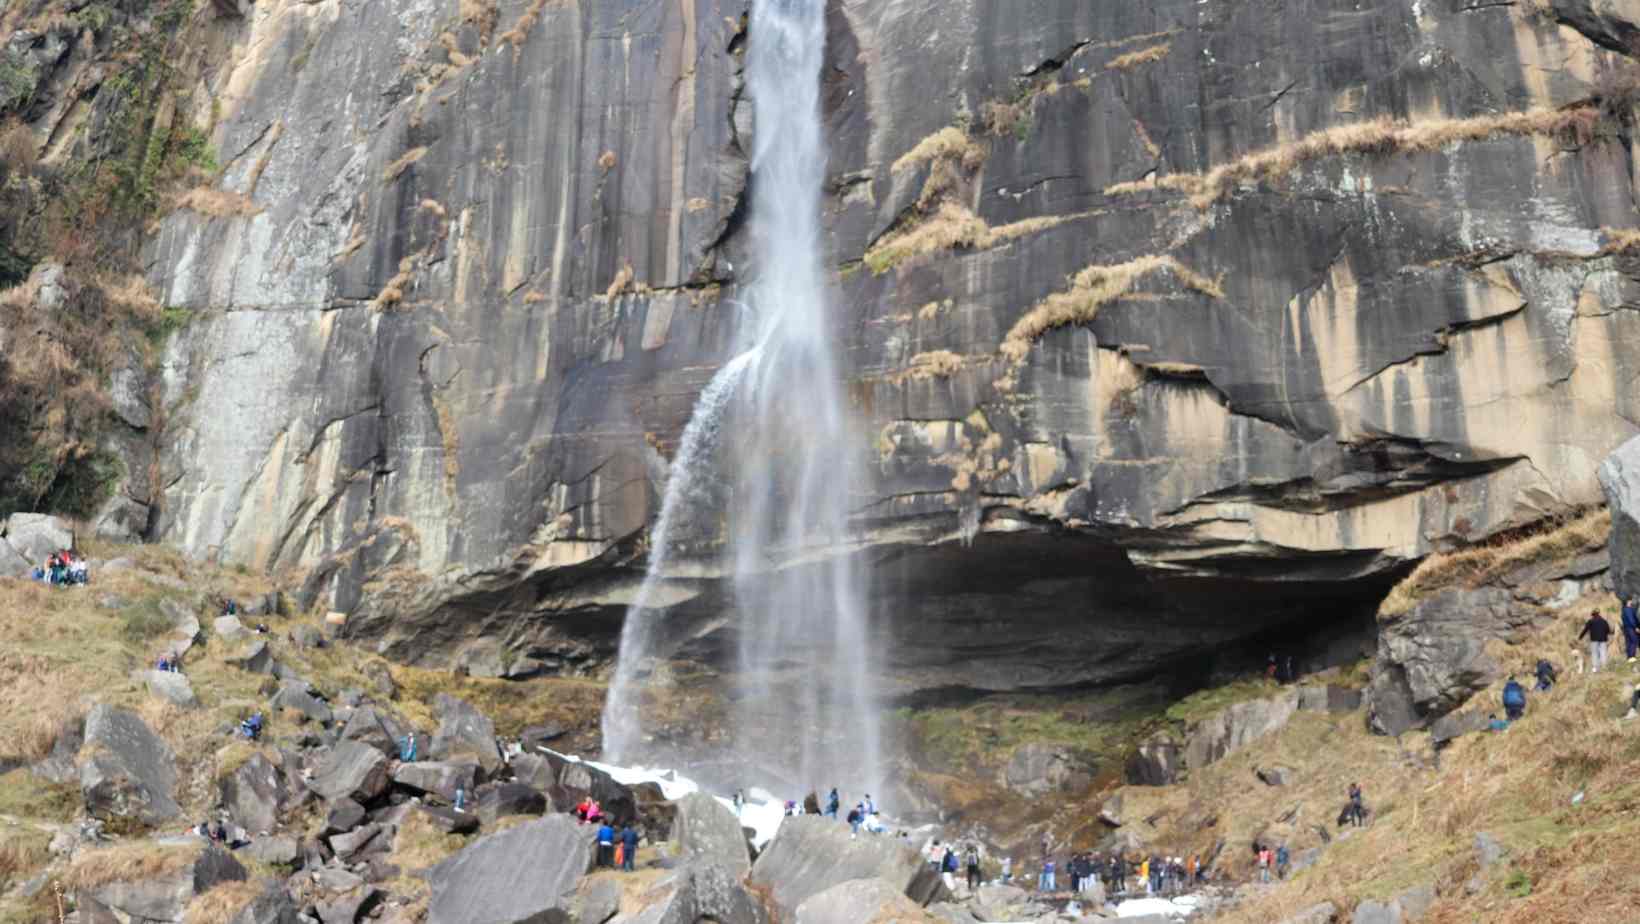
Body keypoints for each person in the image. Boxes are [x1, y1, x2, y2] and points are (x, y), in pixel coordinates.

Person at [1622, 596, 1640, 663]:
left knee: (1628, 642)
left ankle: (1629, 657)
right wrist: (1636, 627)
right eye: (1630, 600)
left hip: (1626, 628)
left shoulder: (1624, 609)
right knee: (1634, 641)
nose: (1631, 601)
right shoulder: (1629, 609)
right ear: (1628, 601)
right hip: (1631, 628)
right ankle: (1632, 656)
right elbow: (1631, 620)